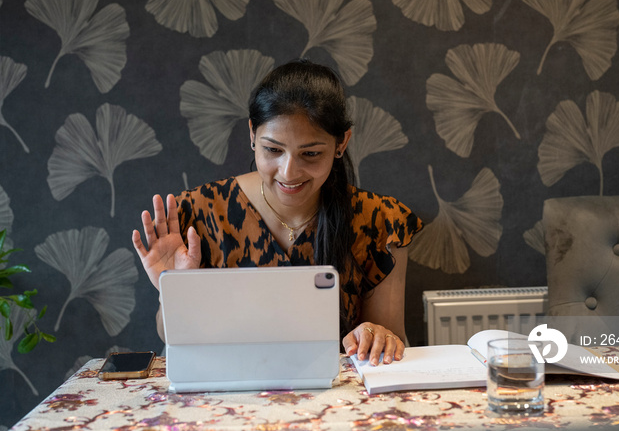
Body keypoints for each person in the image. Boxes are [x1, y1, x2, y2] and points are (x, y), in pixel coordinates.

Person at [132, 59, 422, 366]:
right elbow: (171, 337)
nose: (289, 172)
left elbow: (391, 341)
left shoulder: (379, 220)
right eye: (273, 150)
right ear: (253, 135)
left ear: (341, 143)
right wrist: (174, 289)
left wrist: (375, 335)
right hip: (228, 394)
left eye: (310, 154)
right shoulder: (200, 213)